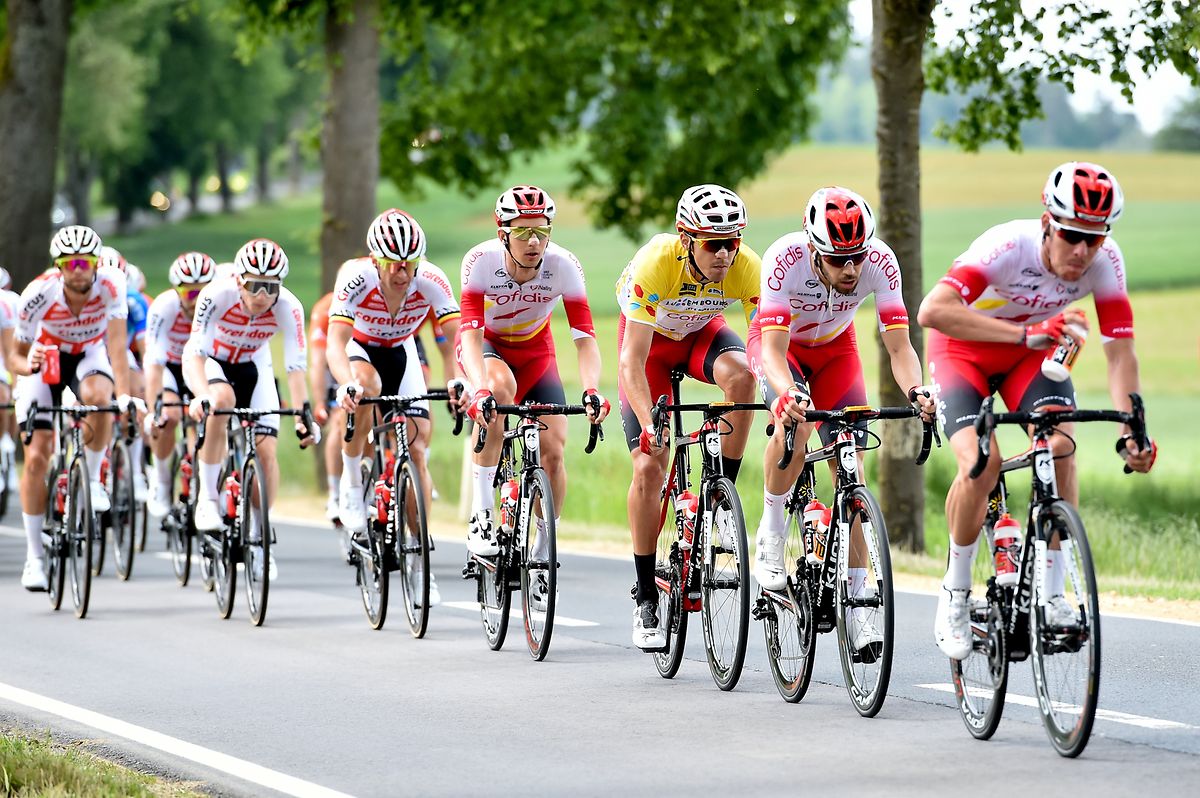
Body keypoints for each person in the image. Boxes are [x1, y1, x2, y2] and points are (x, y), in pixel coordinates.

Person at [917, 161, 1156, 659]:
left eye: (1094, 238)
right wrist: (1025, 334)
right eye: (1071, 235)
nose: (1082, 250)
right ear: (1047, 223)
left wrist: (1133, 428)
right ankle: (955, 591)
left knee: (1061, 445)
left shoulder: (1106, 262)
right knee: (980, 464)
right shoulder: (1007, 246)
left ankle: (1052, 594)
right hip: (963, 350)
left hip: (1030, 355)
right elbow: (932, 311)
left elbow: (1120, 353)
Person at [748, 186, 935, 652]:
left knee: (852, 470)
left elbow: (899, 347)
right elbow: (772, 351)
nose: (851, 269)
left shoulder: (881, 261)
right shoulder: (783, 259)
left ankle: (857, 603)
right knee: (798, 424)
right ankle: (771, 533)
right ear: (814, 250)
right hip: (781, 349)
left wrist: (916, 390)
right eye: (837, 260)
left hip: (837, 351)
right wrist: (787, 393)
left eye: (857, 257)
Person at [616, 184, 760, 650]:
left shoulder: (745, 266)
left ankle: (720, 500)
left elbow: (766, 346)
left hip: (701, 334)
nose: (724, 254)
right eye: (713, 244)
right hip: (650, 349)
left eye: (731, 242)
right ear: (685, 238)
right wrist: (650, 423)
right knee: (649, 466)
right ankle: (645, 595)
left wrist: (783, 397)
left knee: (744, 379)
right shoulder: (656, 262)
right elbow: (631, 361)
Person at [456, 185, 609, 598]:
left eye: (541, 231)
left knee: (554, 450)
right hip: (487, 349)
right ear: (502, 233)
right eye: (523, 232)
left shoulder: (563, 265)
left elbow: (585, 339)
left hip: (537, 354)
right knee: (499, 390)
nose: (534, 241)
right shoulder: (480, 261)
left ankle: (543, 549)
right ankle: (481, 514)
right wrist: (480, 389)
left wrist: (592, 389)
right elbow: (469, 335)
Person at [328, 209, 463, 604]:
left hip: (402, 352)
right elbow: (336, 342)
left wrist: (460, 381)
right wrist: (345, 383)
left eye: (410, 262)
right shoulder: (356, 278)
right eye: (392, 263)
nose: (402, 272)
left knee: (417, 449)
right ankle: (352, 484)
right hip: (361, 350)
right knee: (366, 387)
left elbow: (456, 339)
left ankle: (421, 560)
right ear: (375, 260)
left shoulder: (432, 278)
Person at [184, 238, 317, 578]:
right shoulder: (216, 294)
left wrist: (303, 415)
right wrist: (201, 395)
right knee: (222, 401)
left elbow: (295, 367)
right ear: (239, 281)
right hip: (212, 362)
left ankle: (260, 534)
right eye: (254, 285)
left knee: (266, 450)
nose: (262, 295)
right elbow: (196, 354)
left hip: (254, 365)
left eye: (271, 287)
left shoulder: (289, 307)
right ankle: (208, 499)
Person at [12, 225, 132, 591]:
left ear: (97, 263)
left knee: (101, 399)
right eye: (70, 263)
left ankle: (93, 480)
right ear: (59, 266)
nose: (78, 270)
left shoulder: (111, 285)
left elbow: (117, 347)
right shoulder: (37, 294)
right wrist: (27, 364)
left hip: (89, 354)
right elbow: (14, 357)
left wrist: (125, 395)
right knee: (37, 457)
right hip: (46, 358)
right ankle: (35, 558)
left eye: (85, 262)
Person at [144, 252, 217, 517]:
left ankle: (205, 483)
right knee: (170, 416)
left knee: (211, 418)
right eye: (189, 293)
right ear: (177, 290)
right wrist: (154, 410)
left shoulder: (218, 306)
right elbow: (154, 365)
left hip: (203, 368)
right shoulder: (164, 307)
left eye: (203, 292)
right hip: (171, 368)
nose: (196, 300)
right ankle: (162, 481)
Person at [100, 246, 150, 501]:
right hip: (88, 352)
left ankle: (136, 471)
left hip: (120, 354)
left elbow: (145, 347)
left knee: (138, 394)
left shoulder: (133, 300)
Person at [307, 290, 345, 524]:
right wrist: (321, 402)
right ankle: (335, 494)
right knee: (340, 421)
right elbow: (318, 363)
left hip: (364, 359)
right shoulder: (325, 309)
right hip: (334, 365)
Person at [0, 267, 20, 494]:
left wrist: (14, 384)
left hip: (2, 358)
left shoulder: (6, 303)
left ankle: (7, 441)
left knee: (5, 396)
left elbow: (8, 351)